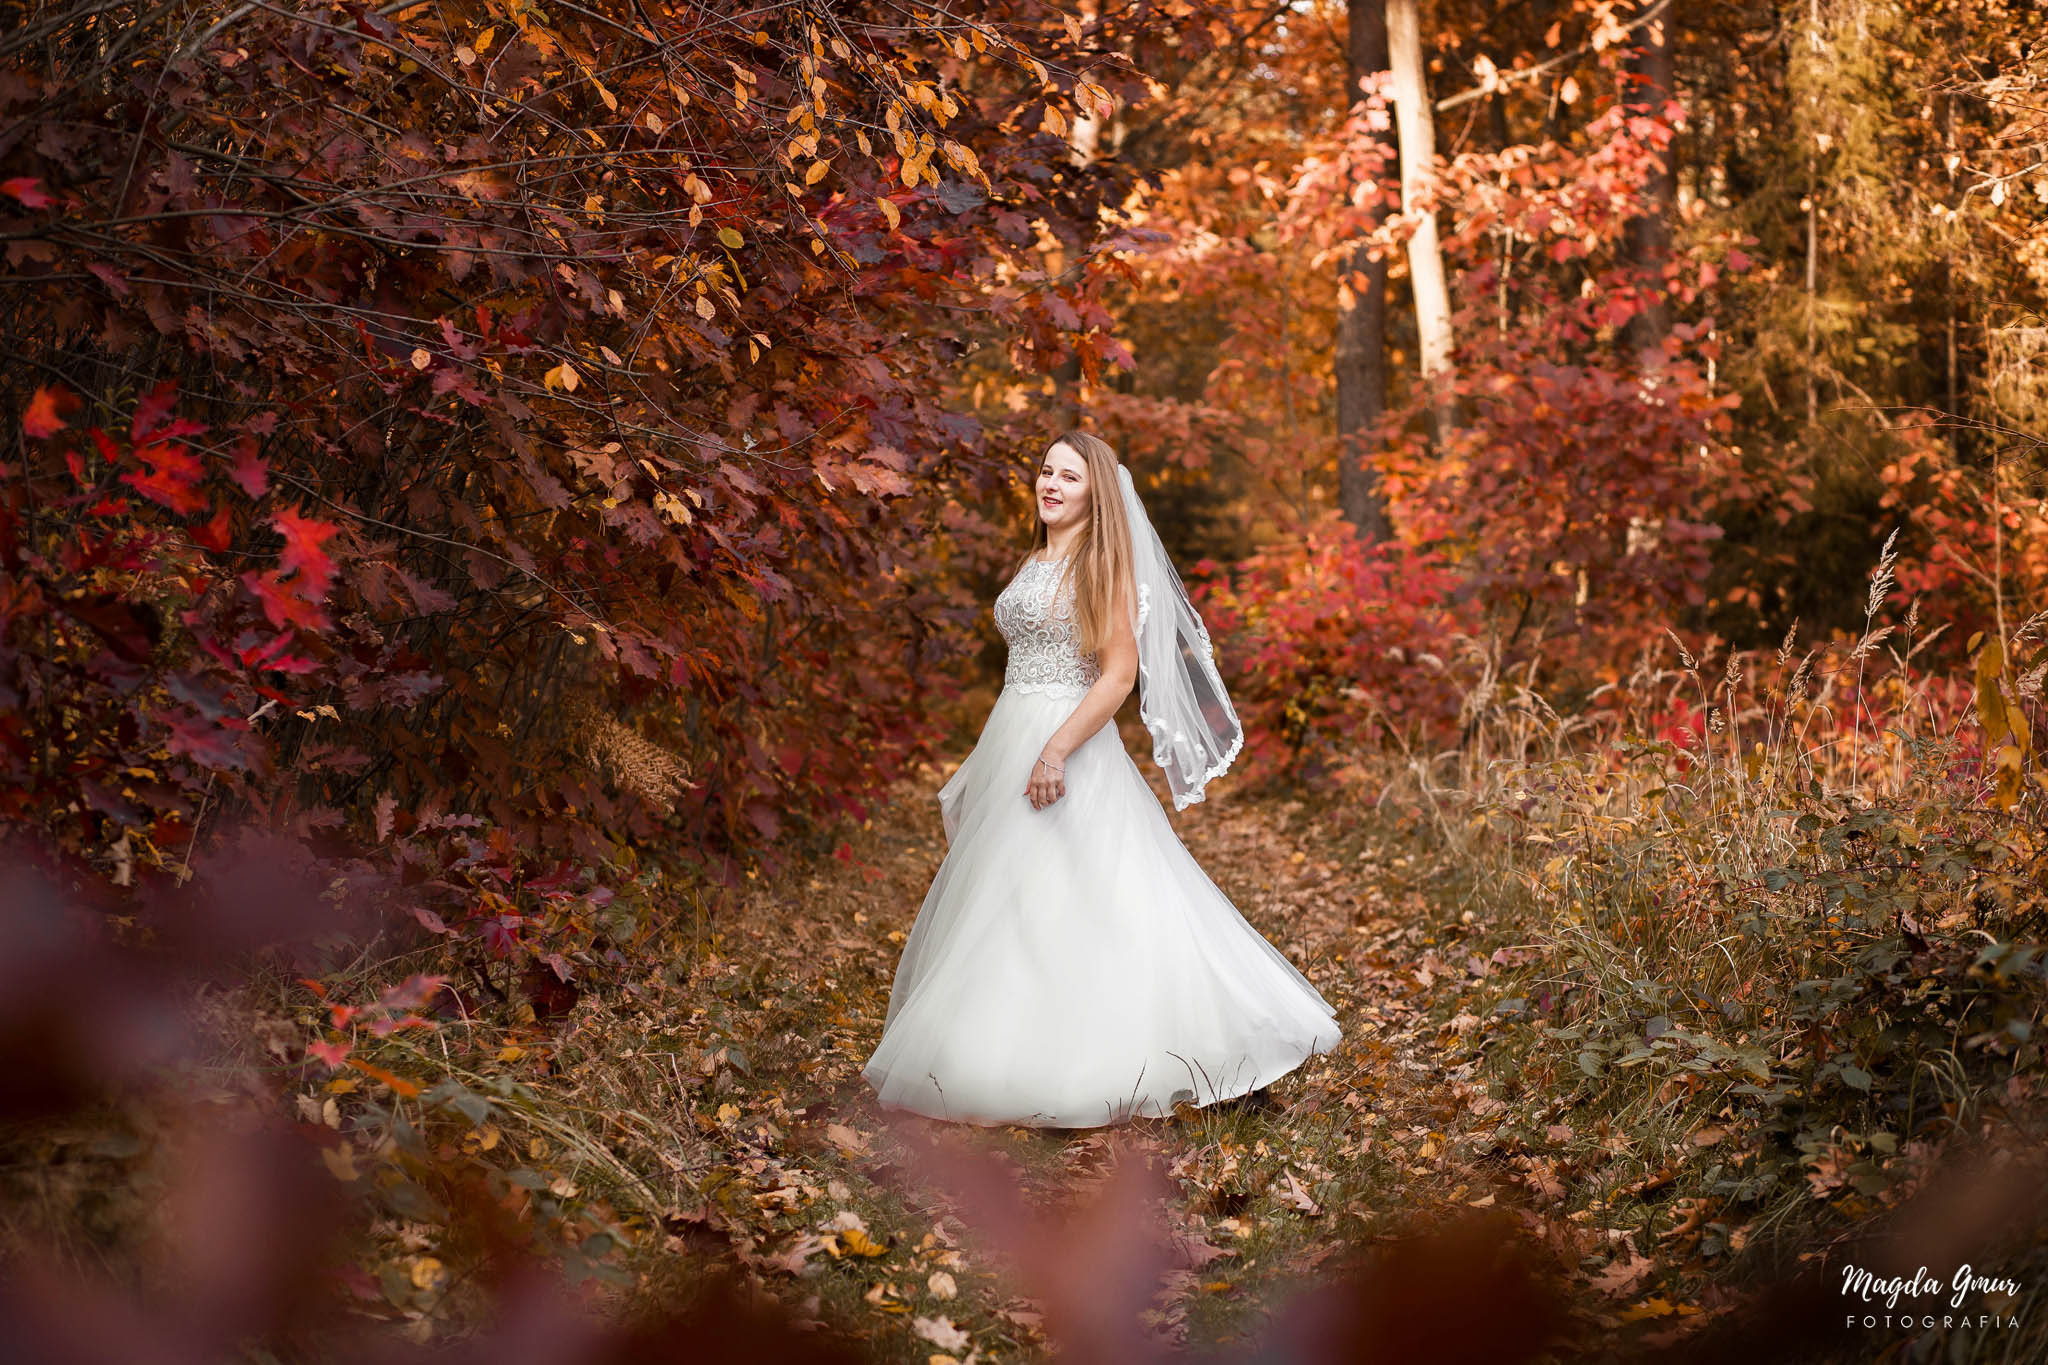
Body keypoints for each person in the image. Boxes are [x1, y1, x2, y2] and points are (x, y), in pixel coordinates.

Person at [860, 431, 1341, 1128]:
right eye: (1046, 470)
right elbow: (1019, 671)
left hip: (1069, 745)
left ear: (1098, 494)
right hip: (1013, 736)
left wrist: (1055, 750)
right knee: (1011, 898)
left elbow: (1118, 675)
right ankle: (1005, 1048)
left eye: (1070, 477)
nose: (1050, 484)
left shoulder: (1100, 567)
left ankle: (1145, 1047)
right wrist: (984, 761)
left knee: (1087, 892)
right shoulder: (1035, 558)